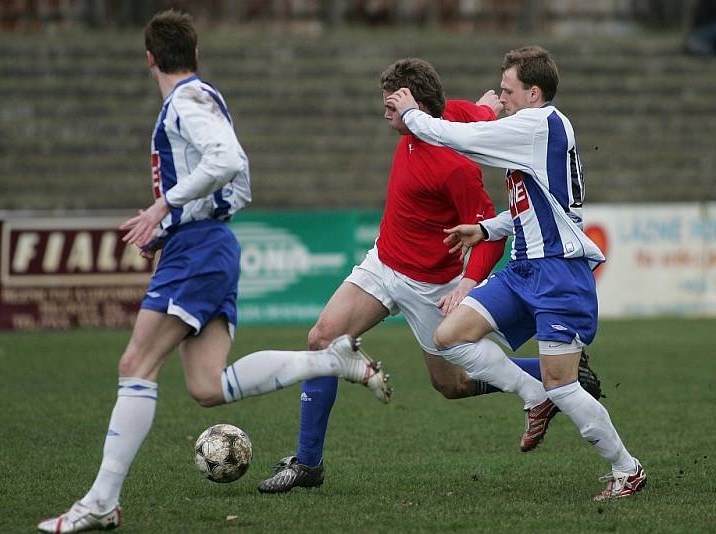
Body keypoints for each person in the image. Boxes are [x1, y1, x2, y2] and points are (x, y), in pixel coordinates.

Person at [37, 10, 391, 533]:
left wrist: (164, 209)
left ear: (150, 58)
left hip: (199, 250)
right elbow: (238, 184)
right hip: (207, 243)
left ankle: (101, 502)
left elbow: (226, 160)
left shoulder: (184, 101)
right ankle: (333, 362)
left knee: (136, 364)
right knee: (206, 386)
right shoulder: (205, 98)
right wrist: (171, 222)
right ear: (195, 54)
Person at [257, 58, 602, 494]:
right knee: (322, 337)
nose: (386, 113)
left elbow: (490, 233)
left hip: (431, 286)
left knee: (451, 385)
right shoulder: (453, 113)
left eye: (392, 105)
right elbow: (477, 113)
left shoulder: (457, 168)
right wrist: (489, 108)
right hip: (383, 264)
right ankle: (308, 464)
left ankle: (558, 376)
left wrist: (466, 282)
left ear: (416, 107)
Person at [386, 45, 646, 501]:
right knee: (450, 336)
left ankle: (627, 469)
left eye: (507, 91)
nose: (500, 98)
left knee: (563, 384)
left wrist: (412, 114)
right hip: (524, 268)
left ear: (533, 92)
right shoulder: (536, 131)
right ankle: (534, 394)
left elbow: (457, 139)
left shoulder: (538, 123)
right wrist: (487, 227)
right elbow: (536, 207)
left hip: (558, 276)